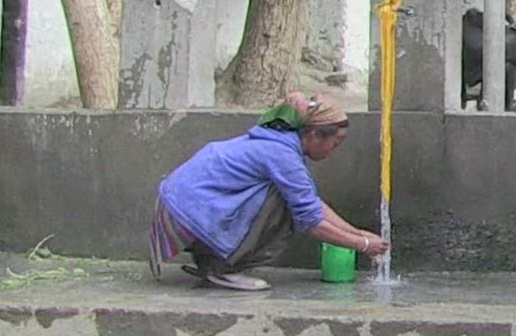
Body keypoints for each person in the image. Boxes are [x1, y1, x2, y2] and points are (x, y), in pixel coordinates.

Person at [148, 92, 390, 291]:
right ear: (315, 134)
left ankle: (212, 261)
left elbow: (312, 203)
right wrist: (362, 245)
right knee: (282, 202)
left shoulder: (276, 141)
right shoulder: (281, 155)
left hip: (178, 207)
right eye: (334, 143)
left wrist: (356, 233)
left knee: (290, 197)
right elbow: (311, 221)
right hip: (186, 214)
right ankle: (223, 268)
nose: (332, 151)